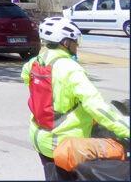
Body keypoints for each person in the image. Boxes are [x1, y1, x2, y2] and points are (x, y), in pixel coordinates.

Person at [23, 18, 129, 180]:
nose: (77, 45)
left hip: (40, 138)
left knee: (53, 176)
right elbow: (95, 105)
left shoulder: (36, 62)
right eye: (75, 41)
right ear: (65, 42)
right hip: (63, 142)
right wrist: (125, 129)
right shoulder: (70, 68)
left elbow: (25, 77)